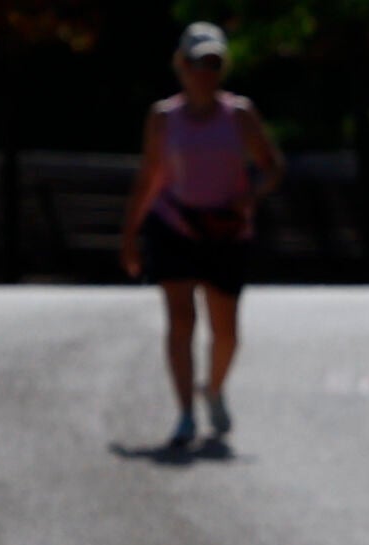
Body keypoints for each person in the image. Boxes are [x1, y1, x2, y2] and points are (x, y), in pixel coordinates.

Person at [118, 21, 286, 450]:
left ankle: (212, 388)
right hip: (175, 224)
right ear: (182, 66)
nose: (204, 71)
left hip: (225, 230)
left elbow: (271, 166)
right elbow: (149, 176)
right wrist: (130, 233)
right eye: (197, 62)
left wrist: (250, 198)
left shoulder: (240, 115)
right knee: (180, 321)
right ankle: (185, 415)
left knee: (225, 330)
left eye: (213, 63)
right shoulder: (163, 118)